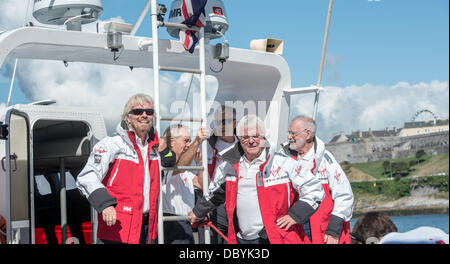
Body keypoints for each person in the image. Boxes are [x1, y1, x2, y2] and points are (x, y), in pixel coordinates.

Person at [189, 115, 325, 244]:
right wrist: (197, 212)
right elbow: (215, 193)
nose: (251, 141)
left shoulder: (282, 162)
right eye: (245, 137)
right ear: (239, 138)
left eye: (256, 136)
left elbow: (315, 189)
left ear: (263, 137)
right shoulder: (228, 166)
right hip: (242, 238)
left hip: (276, 237)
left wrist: (295, 216)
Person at [76, 93, 174, 244]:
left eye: (149, 112)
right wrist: (105, 205)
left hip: (149, 228)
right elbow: (87, 177)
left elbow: (168, 172)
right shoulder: (111, 144)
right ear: (127, 117)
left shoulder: (156, 147)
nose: (144, 115)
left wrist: (165, 150)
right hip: (118, 228)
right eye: (137, 112)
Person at [280, 116, 354, 244]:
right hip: (293, 227)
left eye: (293, 133)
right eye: (289, 133)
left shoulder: (326, 160)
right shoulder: (282, 158)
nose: (289, 137)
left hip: (322, 230)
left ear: (308, 134)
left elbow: (344, 195)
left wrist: (333, 230)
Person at [160, 124, 208, 244]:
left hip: (184, 222)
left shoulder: (186, 167)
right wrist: (197, 142)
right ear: (171, 142)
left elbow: (202, 185)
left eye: (190, 141)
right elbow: (178, 168)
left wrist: (200, 164)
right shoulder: (163, 162)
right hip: (169, 221)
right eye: (186, 141)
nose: (189, 145)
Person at [206, 105, 238, 244]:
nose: (222, 126)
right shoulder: (207, 145)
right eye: (219, 122)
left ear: (235, 122)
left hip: (240, 203)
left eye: (226, 121)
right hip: (216, 205)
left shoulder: (246, 143)